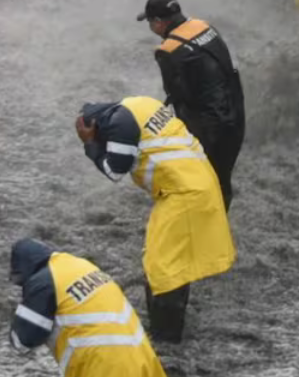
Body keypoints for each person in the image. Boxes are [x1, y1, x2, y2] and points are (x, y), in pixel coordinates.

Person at [75, 95, 236, 343]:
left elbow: (114, 170)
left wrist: (90, 145)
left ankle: (166, 340)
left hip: (184, 193)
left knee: (163, 268)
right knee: (169, 259)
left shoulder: (118, 126)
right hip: (196, 181)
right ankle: (168, 330)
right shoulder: (138, 103)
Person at [137, 0, 246, 211]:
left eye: (149, 22)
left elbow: (178, 94)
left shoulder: (167, 51)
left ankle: (208, 229)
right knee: (223, 178)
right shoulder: (205, 27)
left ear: (159, 22)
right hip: (235, 112)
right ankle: (220, 221)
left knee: (202, 182)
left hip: (208, 126)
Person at [7, 237, 168, 377]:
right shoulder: (80, 264)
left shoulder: (42, 282)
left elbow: (22, 340)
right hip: (145, 361)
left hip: (106, 369)